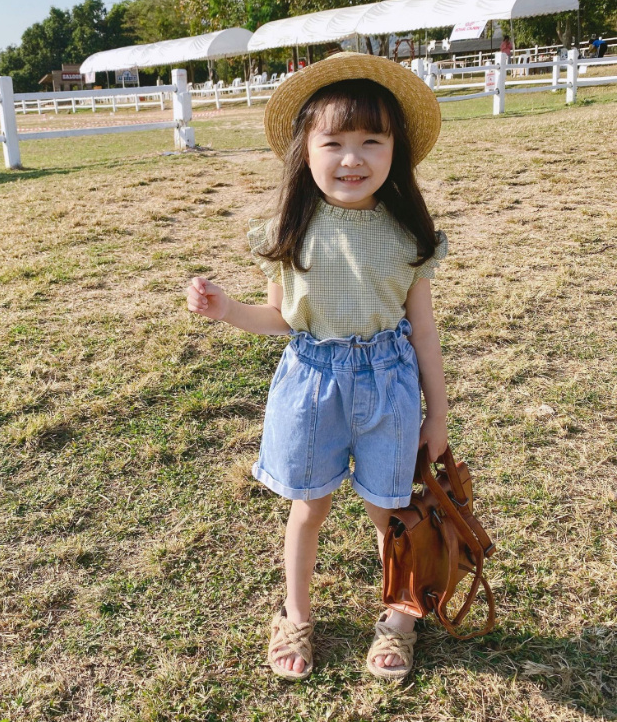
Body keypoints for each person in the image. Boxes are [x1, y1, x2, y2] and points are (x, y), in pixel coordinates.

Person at [186, 53, 449, 682]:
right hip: (311, 385)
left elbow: (426, 332)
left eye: (371, 141)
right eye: (333, 141)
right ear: (306, 150)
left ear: (397, 152)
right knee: (310, 505)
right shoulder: (290, 229)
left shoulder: (407, 234)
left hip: (390, 384)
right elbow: (281, 318)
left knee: (392, 509)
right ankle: (295, 615)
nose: (352, 158)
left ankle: (400, 616)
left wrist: (437, 413)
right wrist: (226, 310)